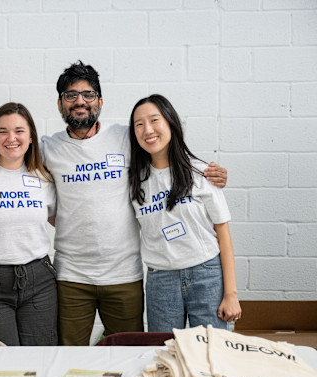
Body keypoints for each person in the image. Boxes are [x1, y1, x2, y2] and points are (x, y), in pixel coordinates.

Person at [40, 61, 228, 345]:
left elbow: (164, 152)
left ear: (99, 101)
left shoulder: (125, 137)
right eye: (71, 95)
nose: (80, 101)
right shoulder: (47, 148)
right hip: (72, 275)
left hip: (124, 274)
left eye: (88, 94)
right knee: (70, 352)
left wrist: (210, 172)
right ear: (60, 104)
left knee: (128, 353)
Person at [129, 94, 241, 331]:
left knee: (211, 353)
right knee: (165, 354)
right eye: (139, 124)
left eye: (154, 120)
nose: (147, 130)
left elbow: (223, 234)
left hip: (206, 274)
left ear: (171, 123)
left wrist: (231, 294)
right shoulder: (134, 183)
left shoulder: (202, 173)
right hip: (161, 280)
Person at [0, 102, 58, 346]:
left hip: (39, 280)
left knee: (41, 360)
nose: (11, 138)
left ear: (30, 137)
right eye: (2, 131)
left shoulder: (45, 178)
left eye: (19, 131)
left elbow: (63, 222)